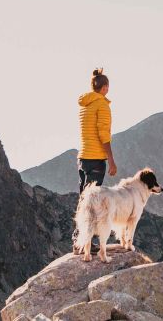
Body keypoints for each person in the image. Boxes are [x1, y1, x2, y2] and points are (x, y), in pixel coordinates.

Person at [72, 67, 117, 253]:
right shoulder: (102, 106)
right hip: (96, 159)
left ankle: (78, 240)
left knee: (83, 200)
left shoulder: (85, 105)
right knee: (92, 202)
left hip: (82, 158)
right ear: (105, 87)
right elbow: (103, 134)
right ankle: (86, 243)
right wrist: (111, 160)